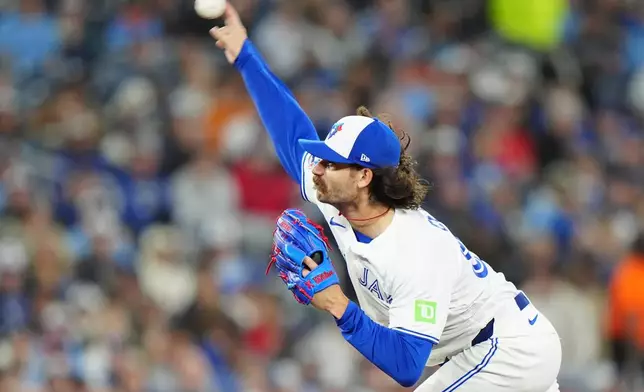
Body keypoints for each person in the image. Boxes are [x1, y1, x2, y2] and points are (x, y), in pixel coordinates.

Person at [210, 4, 562, 391]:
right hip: (470, 351)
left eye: (331, 163)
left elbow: (407, 367)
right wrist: (246, 56)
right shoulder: (337, 193)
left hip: (509, 349)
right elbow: (290, 129)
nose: (317, 168)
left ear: (364, 176)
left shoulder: (414, 251)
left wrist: (336, 304)